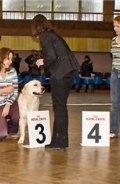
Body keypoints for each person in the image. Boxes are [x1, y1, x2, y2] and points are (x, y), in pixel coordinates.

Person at [32, 14, 80, 149]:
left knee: (58, 108)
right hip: (69, 72)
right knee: (61, 107)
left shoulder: (44, 36)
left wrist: (43, 61)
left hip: (61, 74)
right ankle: (62, 141)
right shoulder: (53, 34)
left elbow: (51, 57)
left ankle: (58, 142)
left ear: (36, 26)